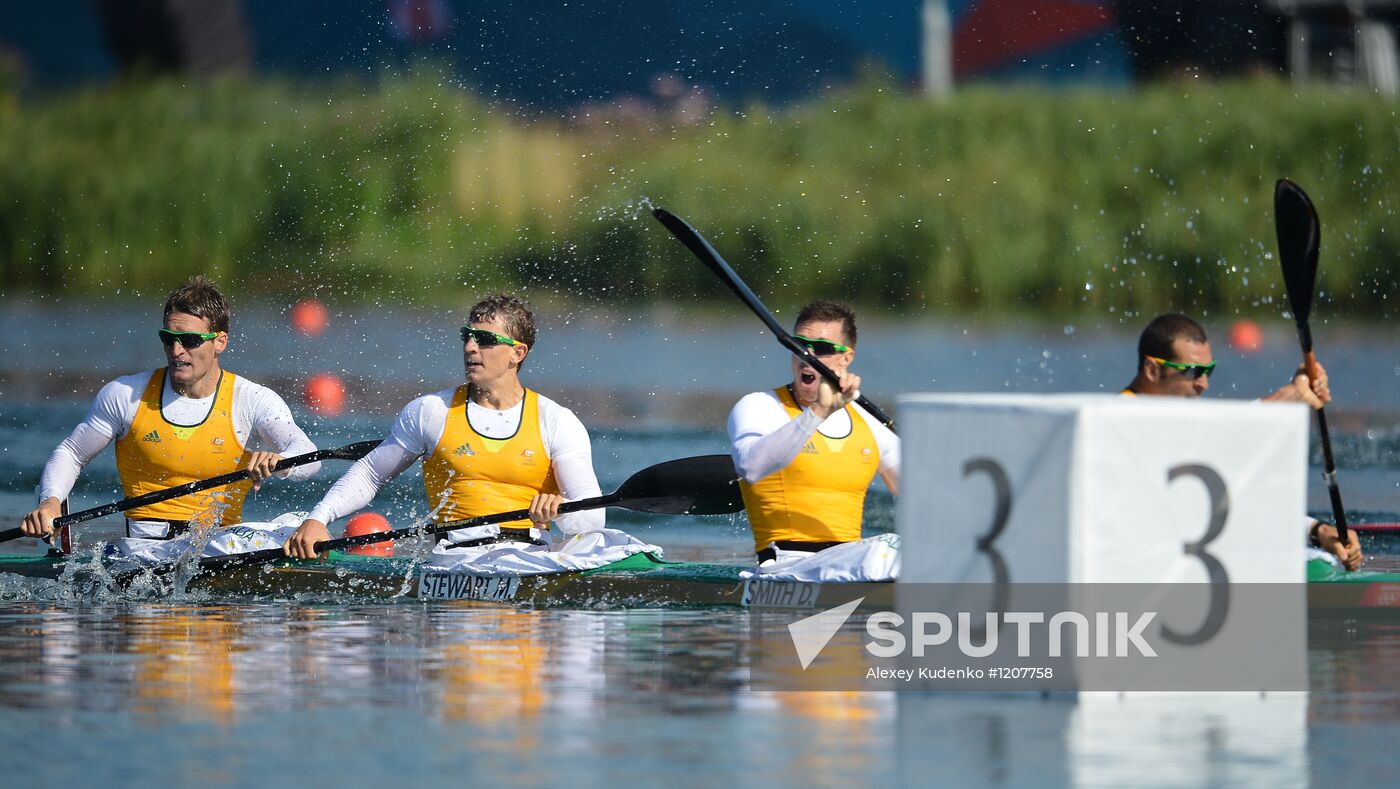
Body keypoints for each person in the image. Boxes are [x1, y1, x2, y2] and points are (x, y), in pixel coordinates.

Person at [285, 294, 606, 561]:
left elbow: (593, 520)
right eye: (466, 336)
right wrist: (317, 520)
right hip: (454, 557)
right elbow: (370, 474)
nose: (469, 346)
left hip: (530, 556)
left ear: (517, 353)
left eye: (484, 339)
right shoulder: (431, 412)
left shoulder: (557, 421)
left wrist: (561, 511)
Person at [19, 275, 320, 544]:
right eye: (169, 339)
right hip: (144, 551)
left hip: (220, 544)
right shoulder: (126, 395)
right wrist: (50, 502)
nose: (176, 351)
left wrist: (281, 461)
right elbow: (72, 453)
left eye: (189, 340)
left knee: (301, 522)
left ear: (220, 342)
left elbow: (309, 457)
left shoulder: (253, 400)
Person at [1121, 313, 1360, 571]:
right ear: (1152, 370)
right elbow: (1220, 439)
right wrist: (1286, 398)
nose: (1204, 384)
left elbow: (1233, 506)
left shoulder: (1175, 422)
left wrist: (1318, 531)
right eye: (1192, 372)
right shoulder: (1120, 419)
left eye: (1208, 371)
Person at [728, 301, 900, 567]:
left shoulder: (870, 421)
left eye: (821, 348)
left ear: (846, 358)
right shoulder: (760, 406)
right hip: (786, 563)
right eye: (799, 346)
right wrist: (820, 410)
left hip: (850, 563)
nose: (807, 356)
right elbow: (750, 467)